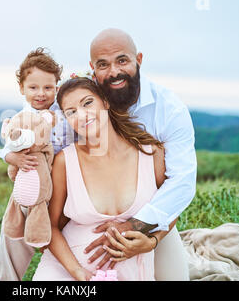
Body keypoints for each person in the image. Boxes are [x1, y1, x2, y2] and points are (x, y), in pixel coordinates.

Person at [32, 76, 177, 280]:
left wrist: (152, 241)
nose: (81, 115)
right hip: (67, 270)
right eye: (71, 112)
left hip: (131, 271)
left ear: (106, 102)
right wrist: (77, 272)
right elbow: (51, 226)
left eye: (88, 103)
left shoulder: (151, 155)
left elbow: (172, 207)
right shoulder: (65, 161)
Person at [80, 29, 195, 280]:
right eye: (103, 64)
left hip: (147, 213)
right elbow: (45, 130)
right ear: (92, 68)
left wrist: (146, 235)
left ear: (138, 59)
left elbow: (181, 183)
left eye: (122, 60)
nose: (114, 72)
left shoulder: (169, 109)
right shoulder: (81, 102)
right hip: (87, 214)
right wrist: (15, 152)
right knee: (22, 202)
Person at [0, 47, 75, 281]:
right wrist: (14, 158)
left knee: (54, 231)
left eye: (48, 87)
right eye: (33, 87)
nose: (41, 93)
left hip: (63, 186)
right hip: (32, 186)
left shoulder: (65, 111)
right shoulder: (21, 118)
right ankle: (7, 277)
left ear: (57, 88)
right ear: (22, 88)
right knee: (14, 228)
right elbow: (5, 149)